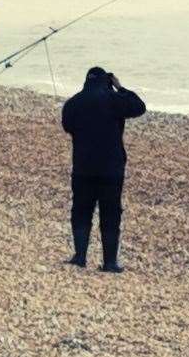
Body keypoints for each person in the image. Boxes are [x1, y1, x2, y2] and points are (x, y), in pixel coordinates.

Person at [61, 66, 146, 273]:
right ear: (106, 83)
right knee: (110, 213)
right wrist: (120, 87)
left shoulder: (73, 103)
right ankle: (109, 262)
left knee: (81, 211)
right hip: (111, 168)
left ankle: (80, 256)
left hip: (83, 166)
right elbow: (139, 107)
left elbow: (67, 125)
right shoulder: (113, 100)